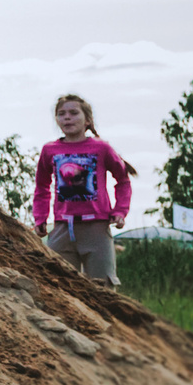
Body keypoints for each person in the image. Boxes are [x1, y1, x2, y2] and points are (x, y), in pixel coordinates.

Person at [31, 94, 135, 285]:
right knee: (59, 284)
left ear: (87, 120)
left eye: (73, 113)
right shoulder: (50, 150)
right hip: (62, 228)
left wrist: (120, 211)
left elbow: (122, 180)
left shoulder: (101, 148)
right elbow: (42, 186)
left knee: (102, 286)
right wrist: (40, 217)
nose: (67, 117)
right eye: (61, 114)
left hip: (96, 228)